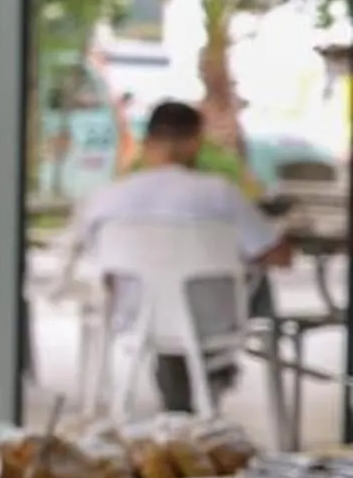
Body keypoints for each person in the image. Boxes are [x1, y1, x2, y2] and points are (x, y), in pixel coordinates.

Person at [67, 98, 293, 410]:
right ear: (194, 142)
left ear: (147, 143)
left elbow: (91, 257)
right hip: (214, 319)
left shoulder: (107, 198)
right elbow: (279, 255)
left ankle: (184, 393)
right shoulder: (219, 193)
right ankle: (216, 371)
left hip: (135, 318)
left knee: (164, 302)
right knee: (251, 278)